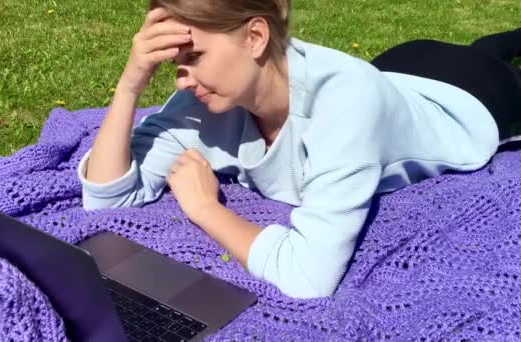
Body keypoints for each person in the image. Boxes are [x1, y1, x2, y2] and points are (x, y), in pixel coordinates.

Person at [77, 0, 521, 298]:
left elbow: (309, 276)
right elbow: (107, 196)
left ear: (254, 37)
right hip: (395, 68)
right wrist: (130, 84)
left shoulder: (344, 103)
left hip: (466, 94)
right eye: (174, 65)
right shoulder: (201, 102)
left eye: (193, 57)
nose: (182, 80)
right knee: (485, 45)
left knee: (491, 54)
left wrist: (206, 209)